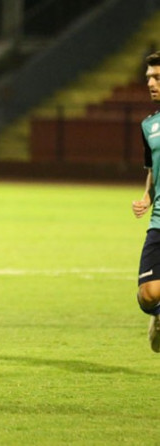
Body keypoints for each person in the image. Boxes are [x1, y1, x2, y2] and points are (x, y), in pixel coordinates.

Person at [132, 51, 160, 353]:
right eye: (149, 78)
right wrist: (146, 198)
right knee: (148, 295)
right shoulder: (148, 126)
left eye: (158, 78)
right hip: (159, 220)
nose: (151, 83)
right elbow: (153, 169)